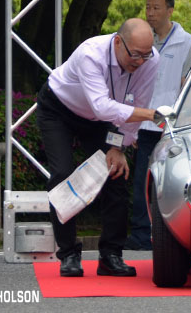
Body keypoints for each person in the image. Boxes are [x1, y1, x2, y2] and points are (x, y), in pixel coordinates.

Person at [36, 18, 161, 277]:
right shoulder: (91, 54)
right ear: (118, 42)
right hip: (59, 109)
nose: (140, 61)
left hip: (99, 120)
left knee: (116, 173)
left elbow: (138, 102)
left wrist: (119, 147)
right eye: (135, 55)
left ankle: (111, 255)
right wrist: (150, 115)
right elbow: (103, 106)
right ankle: (68, 254)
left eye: (145, 55)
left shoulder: (151, 60)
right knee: (62, 174)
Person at [125, 0, 191, 251]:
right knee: (140, 181)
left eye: (156, 8)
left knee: (172, 181)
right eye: (147, 7)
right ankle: (141, 234)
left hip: (171, 125)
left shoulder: (187, 41)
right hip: (145, 122)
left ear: (170, 10)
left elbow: (188, 84)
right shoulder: (143, 40)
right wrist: (131, 126)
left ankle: (173, 232)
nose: (150, 13)